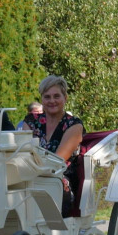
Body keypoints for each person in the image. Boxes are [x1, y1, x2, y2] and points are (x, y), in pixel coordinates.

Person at [24, 75, 84, 213]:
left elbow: (57, 161)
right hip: (31, 176)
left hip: (59, 180)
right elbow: (24, 152)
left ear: (65, 98)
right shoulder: (31, 121)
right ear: (42, 99)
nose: (52, 101)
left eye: (56, 96)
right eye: (47, 97)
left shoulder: (73, 125)